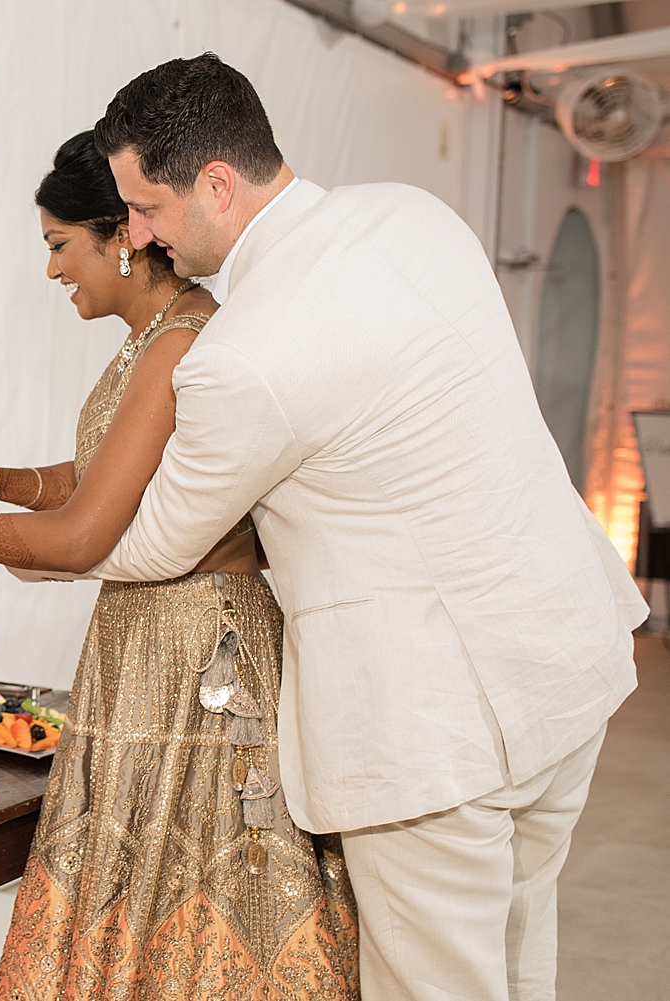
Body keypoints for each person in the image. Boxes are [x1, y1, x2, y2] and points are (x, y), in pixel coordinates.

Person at [82, 54, 648, 1001]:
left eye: (146, 207)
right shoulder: (414, 213)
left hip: (439, 727)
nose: (136, 237)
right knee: (518, 955)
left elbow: (152, 544)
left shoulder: (246, 352)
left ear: (217, 185)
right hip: (563, 653)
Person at [0, 132, 359, 999]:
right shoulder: (154, 334)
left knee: (194, 901)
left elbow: (84, 532)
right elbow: (98, 475)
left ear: (120, 235)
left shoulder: (183, 341)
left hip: (198, 655)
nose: (52, 270)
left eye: (58, 245)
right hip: (149, 636)